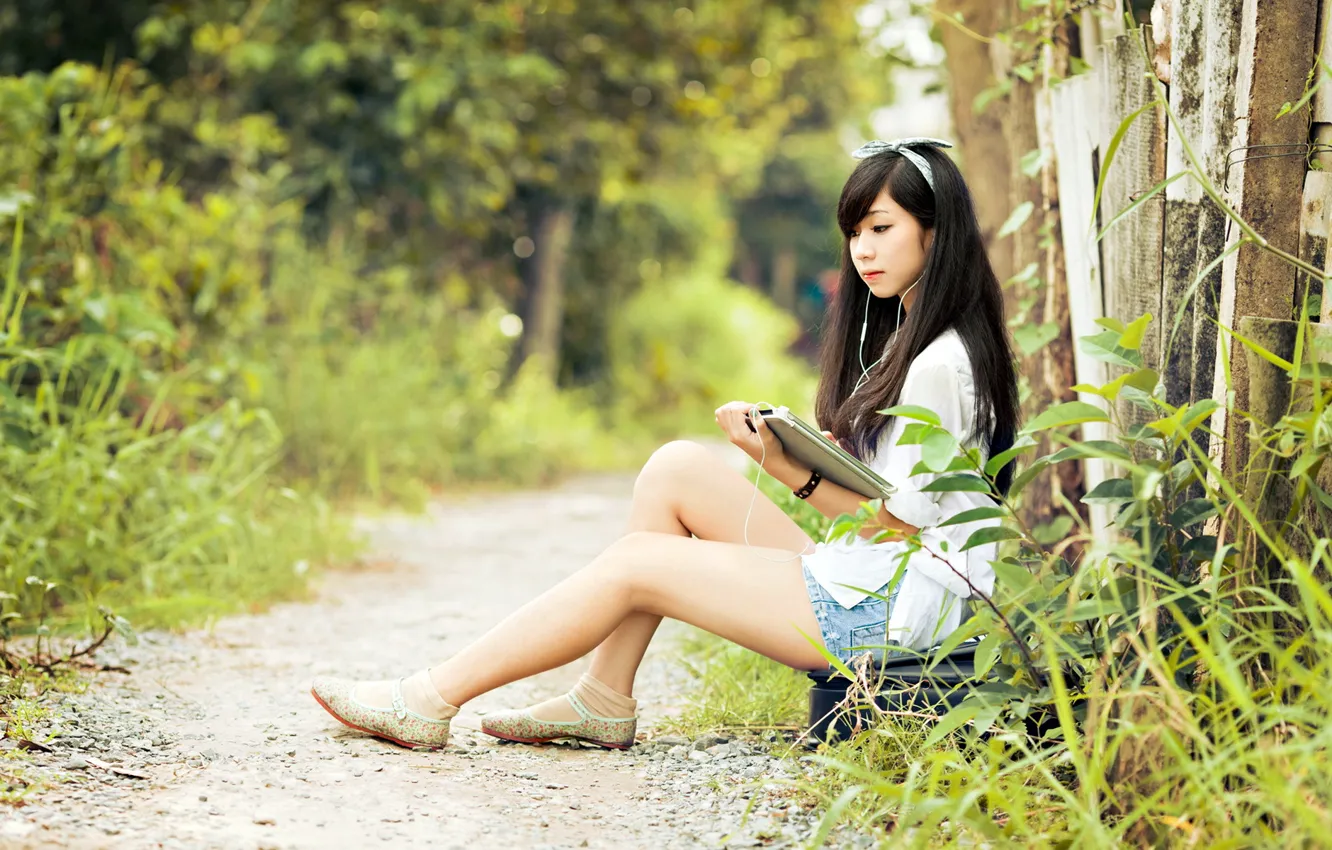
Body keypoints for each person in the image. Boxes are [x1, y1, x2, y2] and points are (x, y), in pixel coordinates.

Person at [309, 138, 1020, 751]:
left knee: (638, 564)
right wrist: (801, 457)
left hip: (893, 616)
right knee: (675, 469)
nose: (862, 250)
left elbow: (901, 532)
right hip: (875, 581)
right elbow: (894, 508)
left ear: (936, 231)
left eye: (881, 228)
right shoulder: (919, 338)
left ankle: (428, 699)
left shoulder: (937, 364)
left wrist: (791, 472)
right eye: (854, 232)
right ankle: (602, 698)